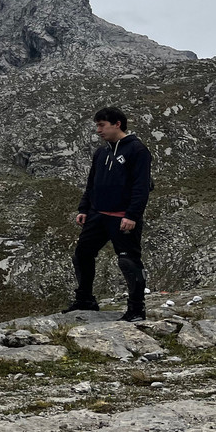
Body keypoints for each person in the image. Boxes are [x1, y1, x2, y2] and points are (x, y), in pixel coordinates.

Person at [66, 106, 152, 321]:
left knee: (129, 261)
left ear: (117, 124)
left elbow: (141, 187)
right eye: (97, 126)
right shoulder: (102, 152)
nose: (98, 130)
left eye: (101, 125)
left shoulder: (137, 150)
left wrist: (132, 215)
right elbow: (92, 183)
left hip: (123, 217)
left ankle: (136, 310)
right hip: (97, 215)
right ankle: (85, 299)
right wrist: (84, 209)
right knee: (82, 254)